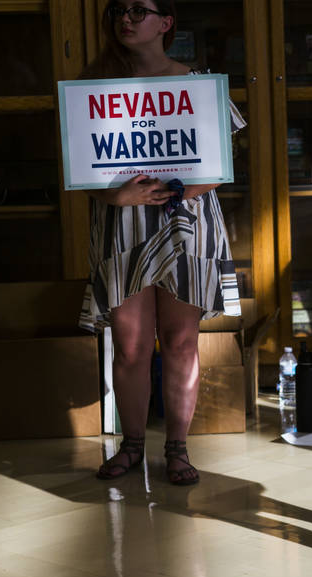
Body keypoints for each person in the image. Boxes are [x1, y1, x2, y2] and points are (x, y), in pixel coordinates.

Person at [78, 0, 246, 484]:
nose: (125, 19)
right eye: (117, 11)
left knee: (179, 341)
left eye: (138, 10)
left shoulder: (199, 84)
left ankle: (177, 449)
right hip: (123, 223)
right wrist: (115, 193)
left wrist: (177, 189)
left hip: (185, 222)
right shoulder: (94, 87)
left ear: (166, 22)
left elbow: (221, 162)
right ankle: (131, 446)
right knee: (129, 346)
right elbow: (78, 166)